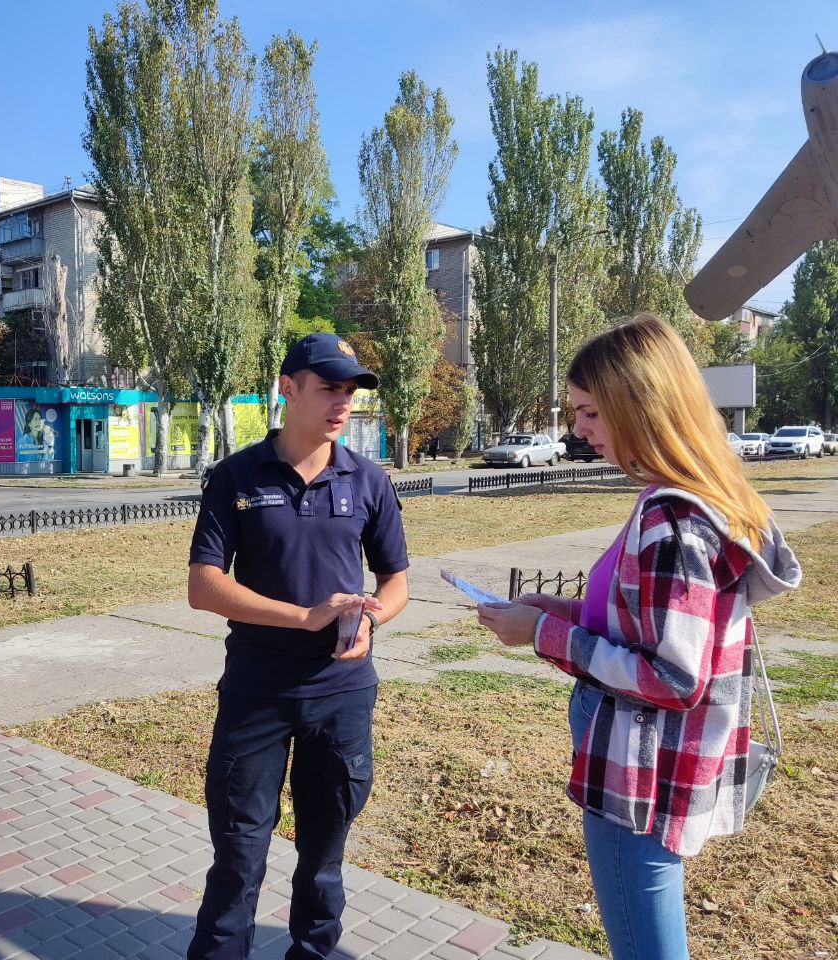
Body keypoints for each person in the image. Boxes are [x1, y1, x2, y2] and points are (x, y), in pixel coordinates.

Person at [476, 315, 801, 960]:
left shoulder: (670, 519)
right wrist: (565, 610)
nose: (578, 430)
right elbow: (653, 625)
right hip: (659, 769)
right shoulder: (690, 501)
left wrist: (541, 633)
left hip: (640, 779)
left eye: (590, 412)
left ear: (638, 406)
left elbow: (674, 676)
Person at [186, 332, 410, 960]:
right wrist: (304, 616)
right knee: (238, 856)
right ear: (287, 389)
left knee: (323, 858)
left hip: (340, 696)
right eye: (328, 388)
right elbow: (204, 586)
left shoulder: (367, 480)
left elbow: (396, 582)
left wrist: (372, 620)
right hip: (257, 692)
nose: (342, 403)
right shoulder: (235, 476)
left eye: (349, 391)